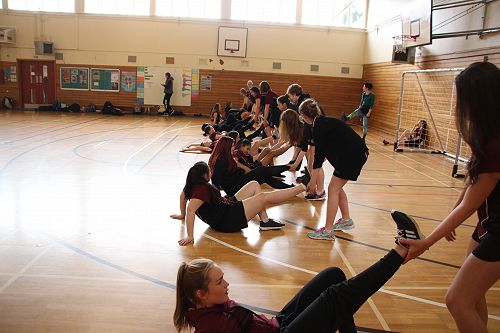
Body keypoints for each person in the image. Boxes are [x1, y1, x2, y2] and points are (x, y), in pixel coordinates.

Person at [173, 211, 426, 332]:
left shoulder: (208, 308)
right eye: (219, 281)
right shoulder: (210, 328)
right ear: (201, 294)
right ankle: (400, 250)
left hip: (277, 324)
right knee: (336, 296)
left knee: (333, 275)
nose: (227, 284)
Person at [398, 62, 500, 333]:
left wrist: (426, 242)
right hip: (489, 224)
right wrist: (451, 219)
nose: (457, 103)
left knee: (457, 300)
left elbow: (471, 204)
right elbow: (472, 179)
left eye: (461, 96)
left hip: (499, 231)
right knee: (472, 296)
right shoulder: (486, 133)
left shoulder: (495, 144)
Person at [170, 161, 306, 246]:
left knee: (253, 184)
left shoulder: (191, 185)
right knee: (264, 197)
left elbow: (183, 199)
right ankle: (301, 187)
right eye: (209, 170)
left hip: (226, 207)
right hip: (228, 220)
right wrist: (190, 236)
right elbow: (191, 209)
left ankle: (264, 221)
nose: (211, 171)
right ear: (204, 176)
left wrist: (182, 215)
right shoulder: (202, 189)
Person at [299, 99, 369, 240]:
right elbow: (325, 151)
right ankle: (346, 220)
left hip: (352, 156)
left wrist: (313, 182)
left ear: (305, 116)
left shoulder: (318, 127)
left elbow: (318, 157)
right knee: (337, 187)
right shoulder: (322, 122)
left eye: (301, 116)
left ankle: (328, 230)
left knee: (332, 189)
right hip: (355, 154)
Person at [209, 137, 292, 196]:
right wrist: (218, 198)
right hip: (234, 188)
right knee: (261, 170)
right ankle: (288, 167)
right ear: (226, 147)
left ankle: (290, 188)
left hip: (238, 180)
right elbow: (215, 181)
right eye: (232, 146)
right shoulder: (220, 161)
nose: (234, 147)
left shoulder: (226, 158)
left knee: (264, 176)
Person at [279, 109, 326, 201]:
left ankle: (320, 191)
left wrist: (295, 164)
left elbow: (304, 149)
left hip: (323, 143)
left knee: (316, 166)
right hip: (315, 144)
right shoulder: (298, 128)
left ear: (288, 123)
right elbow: (304, 149)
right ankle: (317, 189)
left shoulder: (302, 128)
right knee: (311, 165)